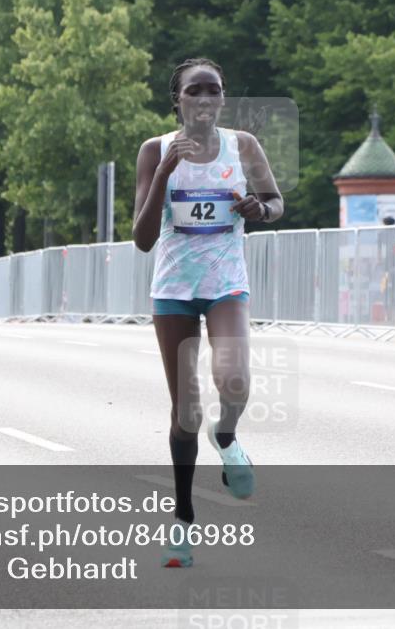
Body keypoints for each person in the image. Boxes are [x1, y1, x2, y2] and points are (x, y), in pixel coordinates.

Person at [132, 58, 283, 568]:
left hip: (225, 285)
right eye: (194, 91)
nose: (204, 99)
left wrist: (259, 211)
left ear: (222, 98)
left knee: (235, 382)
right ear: (177, 100)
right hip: (174, 288)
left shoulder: (243, 147)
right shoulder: (155, 150)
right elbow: (142, 238)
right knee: (186, 412)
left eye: (213, 90)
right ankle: (182, 521)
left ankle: (228, 435)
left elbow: (275, 201)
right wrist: (165, 174)